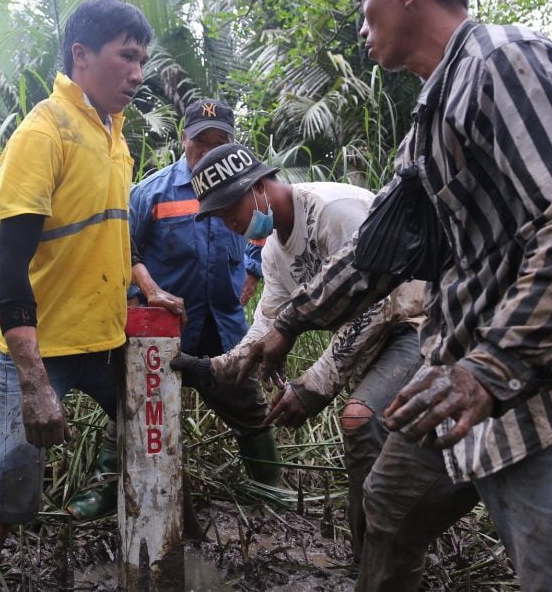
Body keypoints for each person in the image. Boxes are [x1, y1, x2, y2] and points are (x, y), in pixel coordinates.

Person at [235, 0, 552, 590]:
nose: (361, 27)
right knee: (387, 505)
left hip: (546, 399)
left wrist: (490, 369)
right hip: (458, 387)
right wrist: (289, 321)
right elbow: (377, 253)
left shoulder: (503, 62)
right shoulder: (429, 120)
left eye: (364, 4)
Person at [0, 0, 152, 591]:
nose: (138, 73)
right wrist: (34, 381)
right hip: (43, 351)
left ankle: (165, 558)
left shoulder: (115, 135)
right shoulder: (45, 132)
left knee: (152, 447)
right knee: (10, 487)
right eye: (127, 56)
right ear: (81, 55)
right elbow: (9, 265)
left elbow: (112, 235)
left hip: (106, 342)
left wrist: (148, 286)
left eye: (143, 60)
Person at [170, 143, 427, 561]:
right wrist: (213, 369)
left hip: (416, 324)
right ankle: (372, 558)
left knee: (360, 419)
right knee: (374, 442)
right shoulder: (274, 250)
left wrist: (314, 384)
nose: (229, 223)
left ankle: (379, 561)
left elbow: (377, 304)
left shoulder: (334, 210)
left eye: (229, 209)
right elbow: (268, 324)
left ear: (257, 187)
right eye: (218, 216)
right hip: (373, 346)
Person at [65, 100, 279, 520]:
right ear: (184, 139)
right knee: (136, 407)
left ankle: (270, 486)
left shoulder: (247, 188)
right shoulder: (153, 192)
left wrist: (253, 271)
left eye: (220, 141)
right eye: (202, 141)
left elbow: (265, 231)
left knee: (249, 407)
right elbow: (122, 247)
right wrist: (139, 292)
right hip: (165, 328)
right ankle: (106, 487)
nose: (210, 150)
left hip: (224, 326)